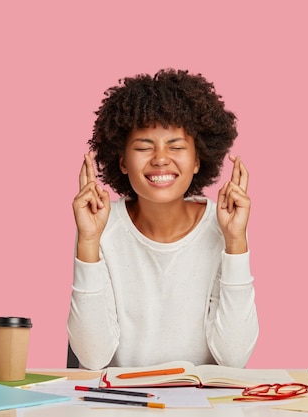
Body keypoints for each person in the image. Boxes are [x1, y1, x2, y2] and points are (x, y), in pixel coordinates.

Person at [67, 68, 258, 370]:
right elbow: (91, 358)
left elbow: (234, 357)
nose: (159, 158)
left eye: (177, 147)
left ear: (197, 161)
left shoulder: (223, 227)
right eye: (144, 147)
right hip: (120, 404)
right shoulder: (100, 226)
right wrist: (89, 242)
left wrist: (236, 242)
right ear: (122, 162)